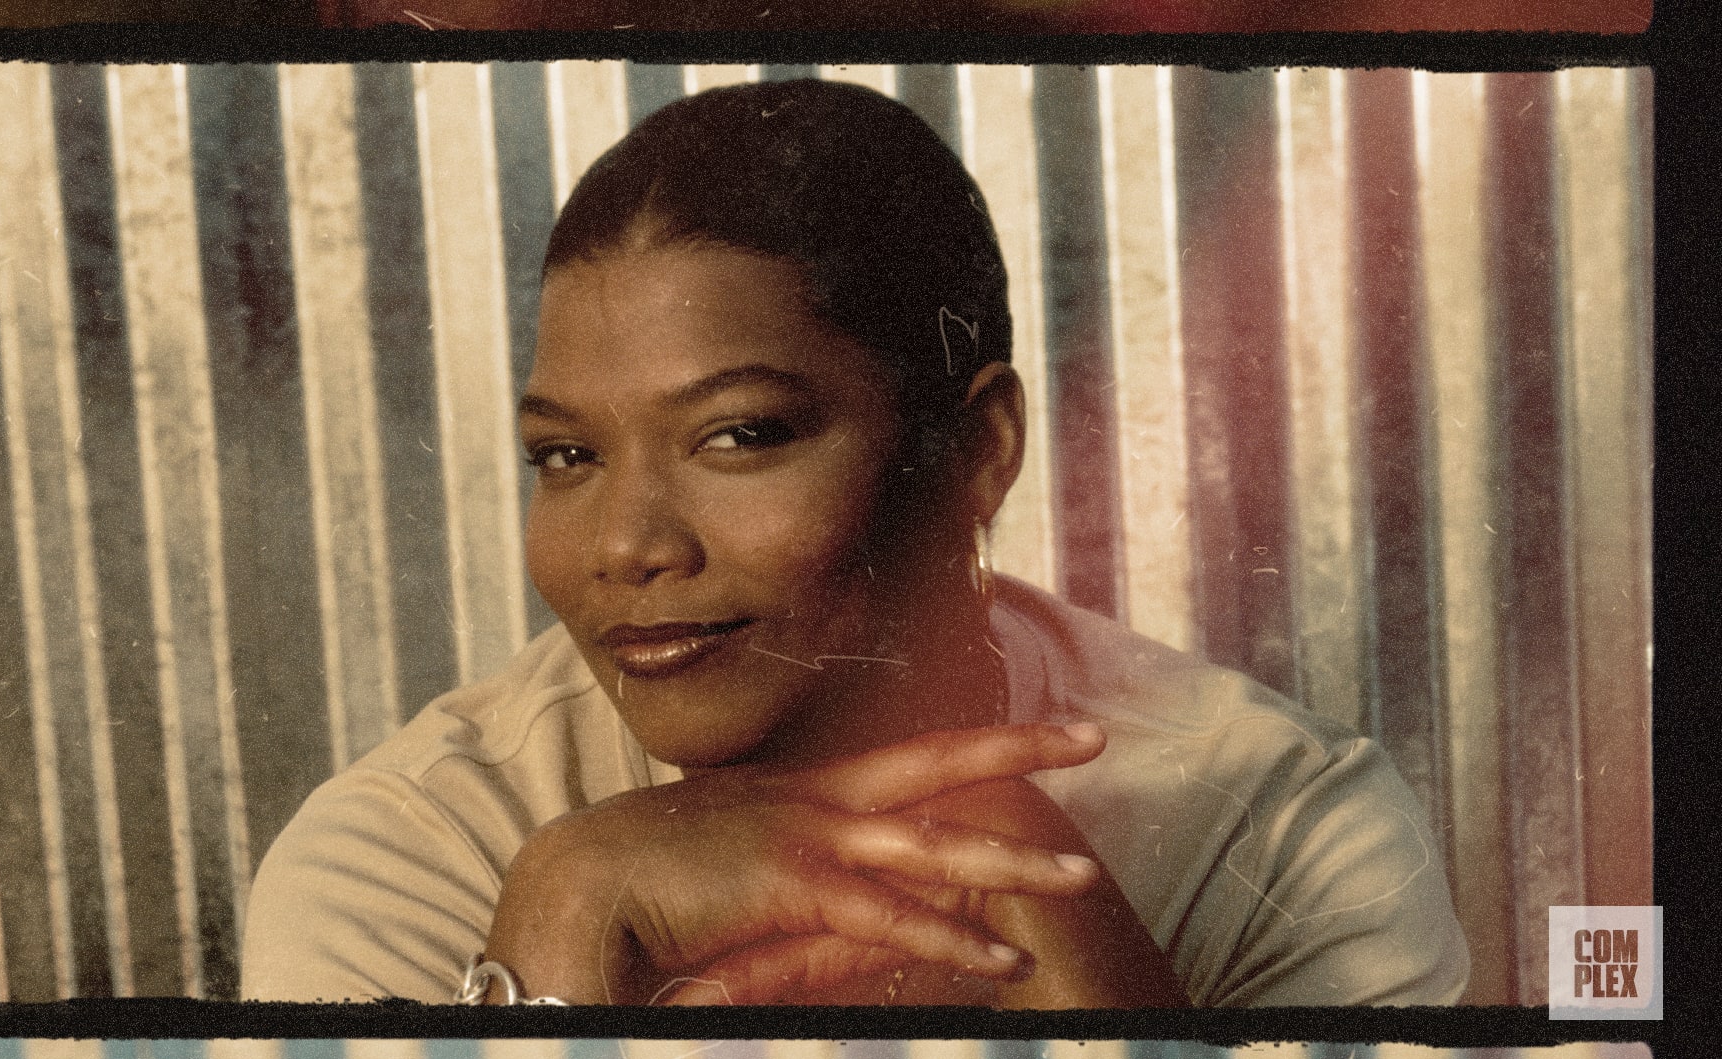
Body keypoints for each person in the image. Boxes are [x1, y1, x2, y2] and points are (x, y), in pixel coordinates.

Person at [241, 79, 1468, 1007]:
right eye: (566, 456)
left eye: (739, 435)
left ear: (977, 448)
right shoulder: (408, 856)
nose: (625, 545)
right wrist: (562, 930)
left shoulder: (1282, 833)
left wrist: (1048, 907)